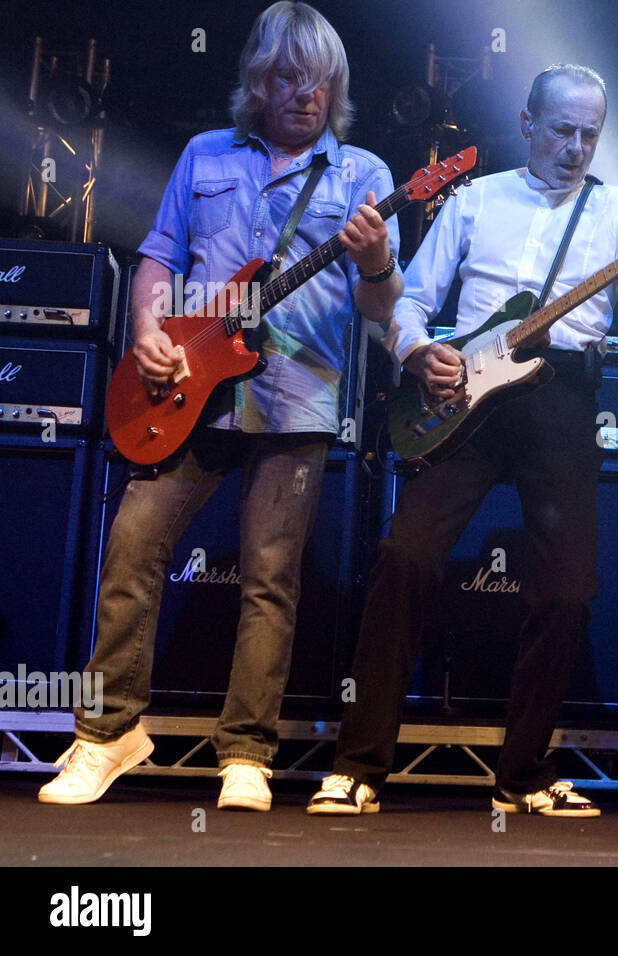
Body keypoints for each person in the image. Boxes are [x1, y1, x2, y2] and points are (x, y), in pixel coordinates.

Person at [307, 64, 618, 817]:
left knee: (570, 590)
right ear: (527, 124)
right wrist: (419, 352)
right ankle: (358, 765)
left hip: (562, 399)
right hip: (468, 395)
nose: (578, 147)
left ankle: (522, 773)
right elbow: (412, 300)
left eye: (591, 134)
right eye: (563, 130)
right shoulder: (476, 199)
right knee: (404, 554)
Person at [38, 1, 401, 811]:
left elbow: (382, 310)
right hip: (188, 389)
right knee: (132, 544)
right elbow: (159, 257)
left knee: (271, 578)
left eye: (319, 80)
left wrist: (375, 261)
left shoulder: (363, 176)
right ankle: (106, 736)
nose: (304, 93)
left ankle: (247, 753)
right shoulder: (205, 154)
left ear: (335, 86)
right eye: (287, 77)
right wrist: (146, 333)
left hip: (298, 399)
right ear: (258, 81)